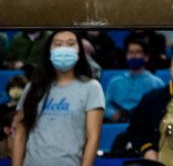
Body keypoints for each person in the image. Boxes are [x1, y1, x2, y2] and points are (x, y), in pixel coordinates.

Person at [11, 30, 104, 166]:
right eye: (58, 44)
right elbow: (20, 132)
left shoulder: (91, 87)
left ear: (79, 51)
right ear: (49, 52)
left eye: (71, 44)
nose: (64, 49)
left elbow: (93, 137)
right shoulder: (32, 88)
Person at [104, 37, 164, 122]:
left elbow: (161, 108)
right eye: (130, 53)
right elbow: (105, 106)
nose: (134, 56)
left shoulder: (157, 83)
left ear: (146, 57)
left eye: (138, 52)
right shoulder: (114, 82)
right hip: (119, 123)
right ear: (126, 56)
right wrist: (113, 114)